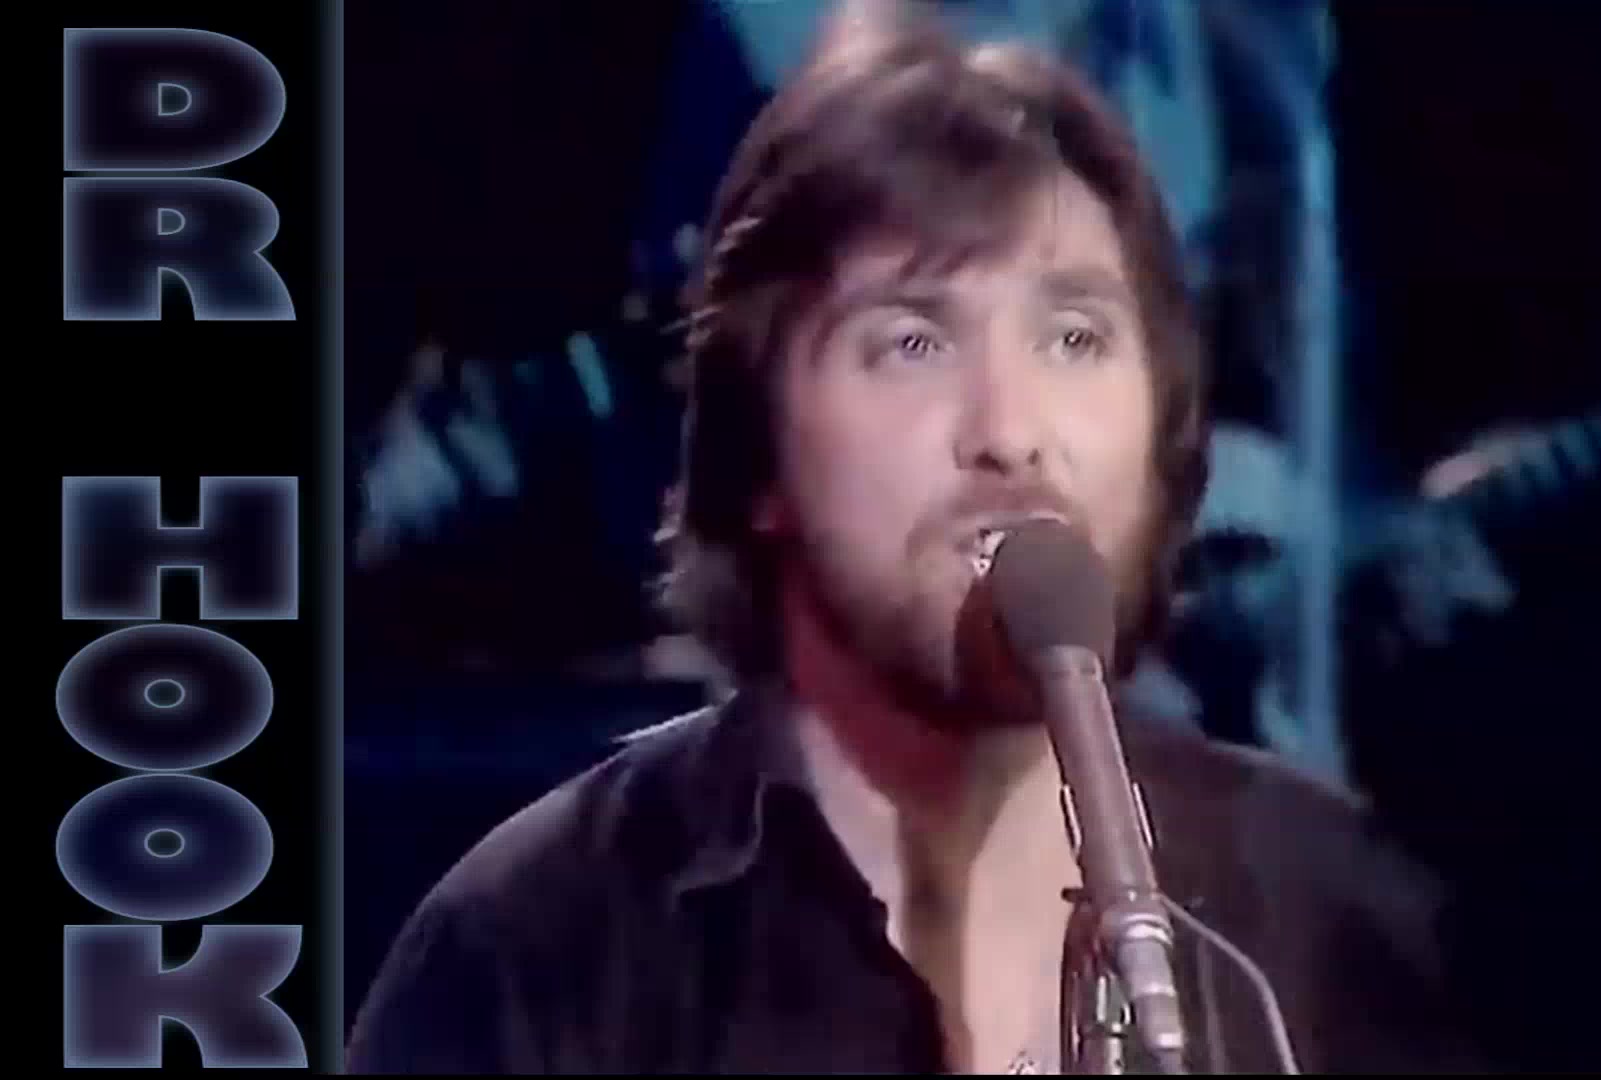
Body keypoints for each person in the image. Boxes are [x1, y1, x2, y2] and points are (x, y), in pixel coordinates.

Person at [346, 4, 1484, 1073]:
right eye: (913, 344)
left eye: (1075, 339)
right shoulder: (535, 957)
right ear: (757, 449)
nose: (1010, 431)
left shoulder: (1345, 927)